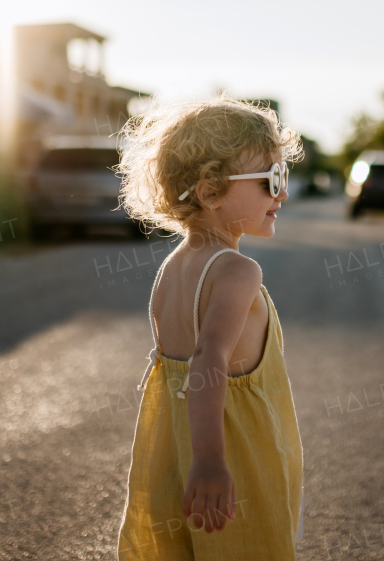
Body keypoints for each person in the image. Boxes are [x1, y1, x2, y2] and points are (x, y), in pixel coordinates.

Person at [115, 96, 306, 560]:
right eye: (271, 180)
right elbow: (207, 360)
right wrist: (210, 460)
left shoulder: (173, 268)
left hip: (173, 453)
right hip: (229, 454)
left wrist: (192, 458)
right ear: (211, 191)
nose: (282, 195)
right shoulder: (237, 271)